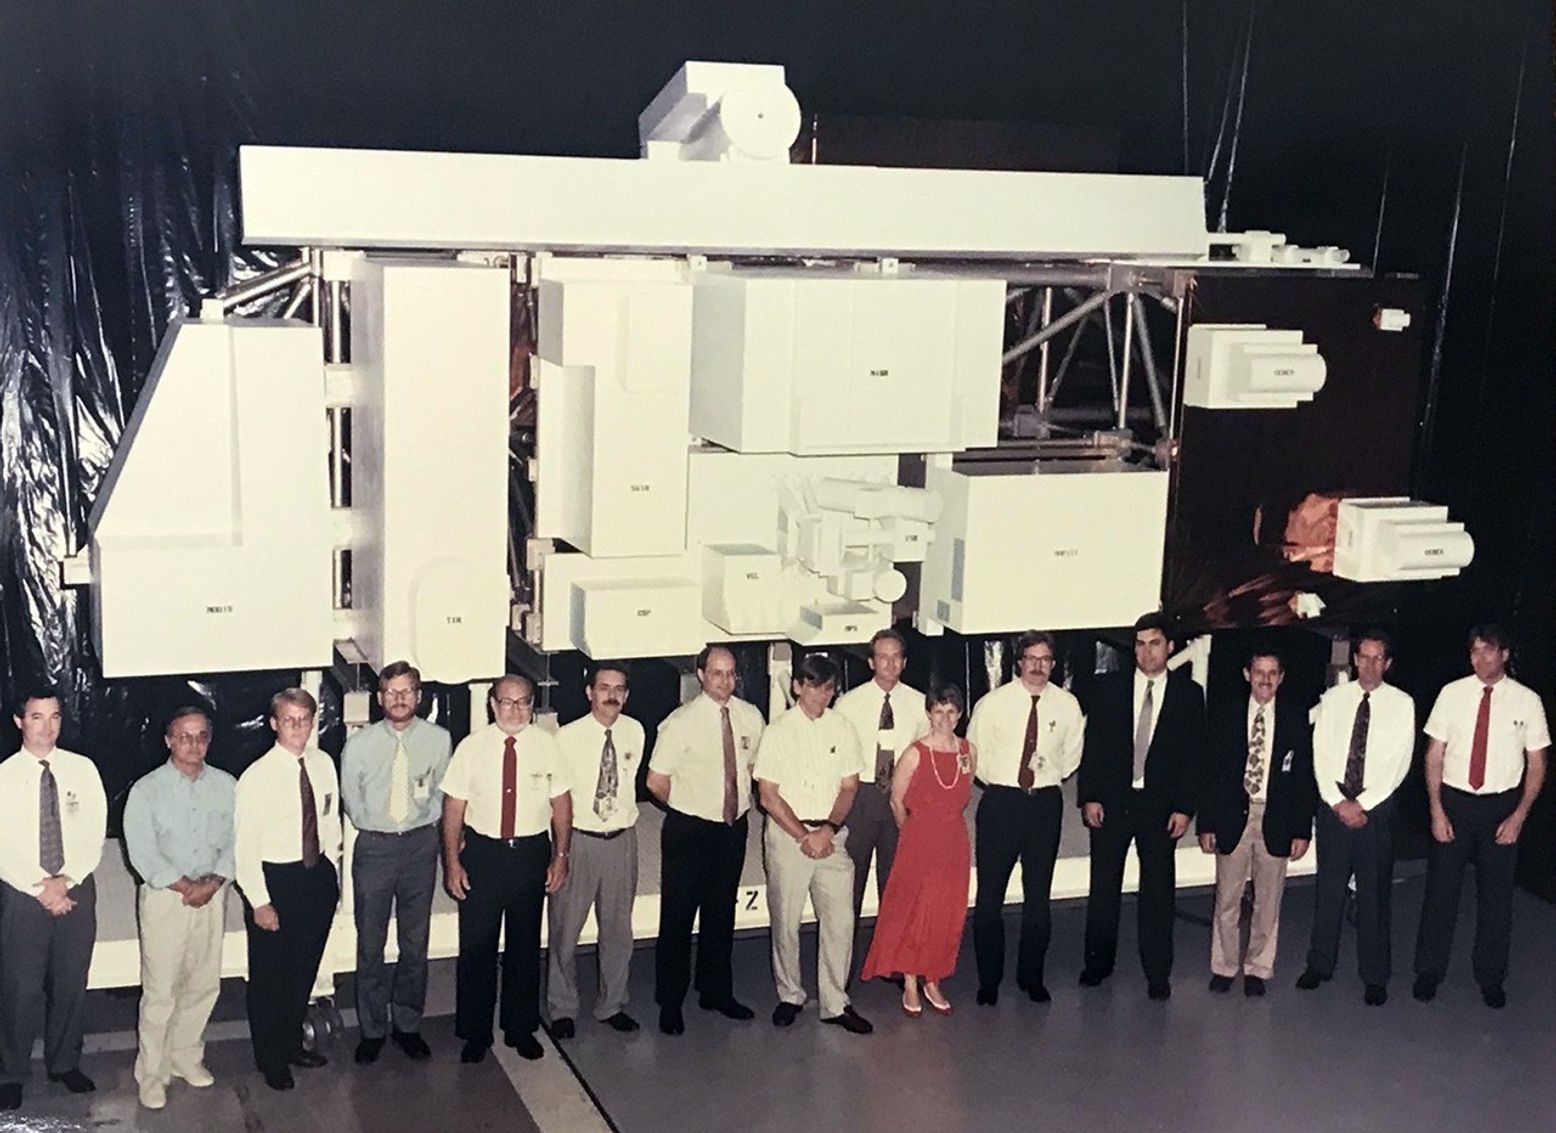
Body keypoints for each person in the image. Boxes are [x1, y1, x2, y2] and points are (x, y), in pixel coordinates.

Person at [1412, 624, 1549, 1009]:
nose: (1480, 658)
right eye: (1474, 651)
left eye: (1488, 650)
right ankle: (1429, 970)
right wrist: (1436, 809)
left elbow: (1537, 764)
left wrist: (1519, 816)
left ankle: (1491, 977)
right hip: (1455, 802)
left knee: (1497, 898)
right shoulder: (1451, 694)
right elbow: (1434, 755)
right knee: (1441, 892)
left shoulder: (1527, 701)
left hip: (1501, 807)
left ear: (1504, 654)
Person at [441, 675, 571, 1062]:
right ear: (492, 704)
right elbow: (453, 810)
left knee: (525, 946)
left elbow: (561, 804)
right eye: (507, 702)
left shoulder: (547, 745)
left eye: (523, 702)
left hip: (530, 855)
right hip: (483, 855)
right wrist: (452, 863)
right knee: (477, 948)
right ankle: (475, 1034)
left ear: (532, 705)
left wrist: (561, 856)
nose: (515, 710)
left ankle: (520, 1028)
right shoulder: (471, 748)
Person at [1077, 612, 1204, 1001]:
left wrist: (1184, 808)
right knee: (1103, 888)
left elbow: (1193, 757)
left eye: (1154, 643)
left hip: (1159, 807)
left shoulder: (1188, 694)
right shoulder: (1109, 688)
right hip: (1112, 802)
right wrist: (1090, 796)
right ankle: (1098, 964)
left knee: (1158, 892)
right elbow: (1094, 746)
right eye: (1140, 644)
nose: (1146, 652)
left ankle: (1157, 973)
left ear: (1170, 647)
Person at [647, 645, 765, 1036]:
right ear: (700, 675)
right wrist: (688, 806)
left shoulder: (750, 716)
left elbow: (752, 767)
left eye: (730, 673)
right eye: (717, 673)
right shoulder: (680, 723)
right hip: (690, 830)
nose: (725, 681)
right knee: (678, 918)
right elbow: (656, 781)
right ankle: (670, 1002)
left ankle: (716, 991)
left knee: (721, 913)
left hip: (732, 828)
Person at [0, 687, 108, 1112]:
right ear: (19, 722)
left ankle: (65, 1063)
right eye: (37, 717)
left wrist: (67, 879)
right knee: (20, 987)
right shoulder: (5, 776)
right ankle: (11, 1072)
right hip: (22, 895)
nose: (47, 727)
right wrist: (40, 887)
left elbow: (94, 828)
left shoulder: (83, 769)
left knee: (71, 981)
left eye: (55, 717)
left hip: (75, 888)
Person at [122, 705, 236, 1110]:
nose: (193, 744)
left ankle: (186, 1057)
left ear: (210, 740)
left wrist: (214, 882)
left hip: (213, 895)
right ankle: (152, 1073)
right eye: (184, 736)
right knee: (161, 991)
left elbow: (238, 840)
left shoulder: (227, 786)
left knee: (204, 983)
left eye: (201, 735)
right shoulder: (146, 791)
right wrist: (187, 886)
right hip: (166, 899)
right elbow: (142, 852)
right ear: (168, 740)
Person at [341, 661, 452, 1064]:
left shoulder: (439, 740)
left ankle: (408, 1025)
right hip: (375, 848)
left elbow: (442, 791)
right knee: (370, 944)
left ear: (419, 696)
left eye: (407, 691)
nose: (399, 699)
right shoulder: (359, 745)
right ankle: (372, 1030)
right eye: (391, 692)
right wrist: (381, 828)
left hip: (420, 847)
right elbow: (352, 801)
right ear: (379, 697)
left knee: (415, 943)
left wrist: (422, 826)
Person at [755, 652, 871, 1034]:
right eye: (814, 686)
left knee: (840, 921)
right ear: (797, 687)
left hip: (831, 836)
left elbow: (849, 786)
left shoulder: (843, 728)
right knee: (786, 921)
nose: (821, 695)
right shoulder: (778, 732)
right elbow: (768, 795)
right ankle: (790, 995)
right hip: (788, 837)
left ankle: (836, 1002)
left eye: (828, 688)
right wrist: (803, 835)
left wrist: (828, 830)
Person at [967, 630, 1085, 1005]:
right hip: (1001, 803)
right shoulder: (993, 704)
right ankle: (989, 981)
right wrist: (1004, 784)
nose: (1037, 666)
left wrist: (1044, 776)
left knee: (1038, 897)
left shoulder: (1067, 705)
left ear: (1054, 664)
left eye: (1045, 659)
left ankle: (1031, 977)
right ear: (1018, 662)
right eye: (1031, 659)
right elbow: (974, 755)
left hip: (1044, 805)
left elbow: (1071, 757)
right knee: (990, 897)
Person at [1297, 631, 1415, 1005]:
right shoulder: (1334, 699)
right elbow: (1320, 752)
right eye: (1364, 657)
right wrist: (1337, 802)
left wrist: (1362, 805)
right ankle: (1320, 964)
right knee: (1328, 890)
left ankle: (1375, 976)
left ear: (1388, 664)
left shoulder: (1402, 704)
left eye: (1378, 658)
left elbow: (1399, 763)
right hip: (1333, 805)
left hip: (1376, 812)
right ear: (1354, 660)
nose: (1370, 665)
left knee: (1373, 893)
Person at [235, 688, 342, 1091]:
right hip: (274, 881)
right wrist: (260, 902)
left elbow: (329, 821)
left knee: (302, 971)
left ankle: (293, 1044)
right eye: (289, 720)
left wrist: (331, 874)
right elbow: (244, 848)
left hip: (315, 877)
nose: (298, 727)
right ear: (274, 724)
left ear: (314, 722)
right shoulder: (256, 777)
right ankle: (271, 1059)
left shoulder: (323, 764)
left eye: (305, 719)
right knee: (270, 977)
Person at [1198, 650, 1314, 997]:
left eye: (1272, 673)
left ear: (1281, 678)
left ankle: (1258, 968)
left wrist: (1301, 830)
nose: (1265, 679)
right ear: (1247, 674)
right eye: (1259, 672)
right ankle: (1224, 966)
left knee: (1268, 900)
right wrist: (1207, 823)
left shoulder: (1294, 718)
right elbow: (1210, 772)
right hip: (1233, 816)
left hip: (1275, 819)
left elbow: (1303, 777)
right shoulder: (1226, 714)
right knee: (1227, 897)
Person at [859, 684, 975, 1016]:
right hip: (919, 839)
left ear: (959, 715)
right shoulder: (915, 753)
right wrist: (912, 831)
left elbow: (963, 793)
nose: (945, 718)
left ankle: (933, 978)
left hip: (954, 840)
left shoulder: (968, 750)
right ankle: (910, 980)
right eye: (938, 711)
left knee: (946, 911)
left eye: (951, 711)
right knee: (915, 910)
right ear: (928, 714)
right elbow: (897, 800)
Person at [548, 661, 643, 1038]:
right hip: (580, 841)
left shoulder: (635, 731)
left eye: (619, 689)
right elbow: (556, 799)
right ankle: (562, 1007)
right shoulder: (566, 738)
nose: (611, 695)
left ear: (627, 695)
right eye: (604, 687)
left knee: (618, 931)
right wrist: (560, 852)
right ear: (590, 692)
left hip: (621, 841)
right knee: (565, 929)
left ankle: (611, 1004)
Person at [832, 629, 929, 975]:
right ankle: (843, 970)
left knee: (896, 885)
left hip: (901, 798)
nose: (889, 664)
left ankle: (892, 964)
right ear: (871, 662)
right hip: (861, 797)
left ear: (904, 662)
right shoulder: (848, 705)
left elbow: (926, 758)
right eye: (882, 657)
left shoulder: (920, 704)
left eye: (896, 657)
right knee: (850, 886)